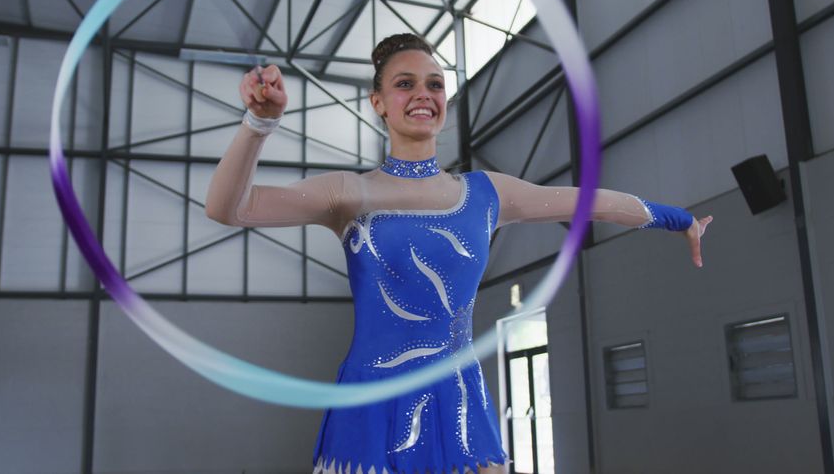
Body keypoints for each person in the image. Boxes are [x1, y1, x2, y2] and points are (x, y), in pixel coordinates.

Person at [205, 33, 712, 474]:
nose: (423, 95)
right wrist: (259, 124)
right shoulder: (347, 192)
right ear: (378, 102)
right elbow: (228, 208)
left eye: (434, 84)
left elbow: (591, 203)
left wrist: (679, 219)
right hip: (371, 402)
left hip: (460, 398)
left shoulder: (486, 194)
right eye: (405, 84)